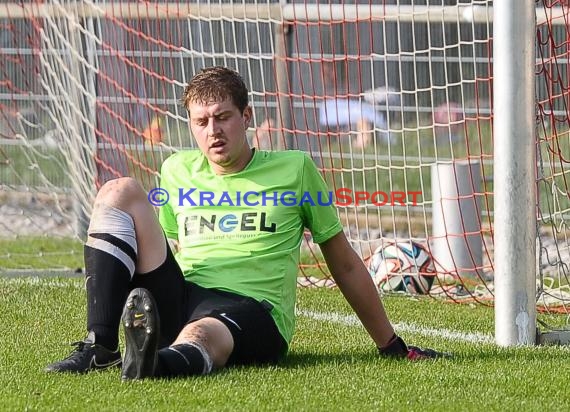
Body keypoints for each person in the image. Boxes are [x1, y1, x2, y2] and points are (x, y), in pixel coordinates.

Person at [45, 66, 448, 380]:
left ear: (247, 116)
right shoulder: (176, 169)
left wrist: (390, 344)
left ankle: (153, 365)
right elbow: (164, 246)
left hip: (254, 309)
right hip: (185, 295)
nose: (213, 131)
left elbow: (342, 262)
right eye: (201, 122)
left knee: (202, 335)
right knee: (120, 191)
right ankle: (100, 347)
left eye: (223, 117)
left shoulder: (295, 169)